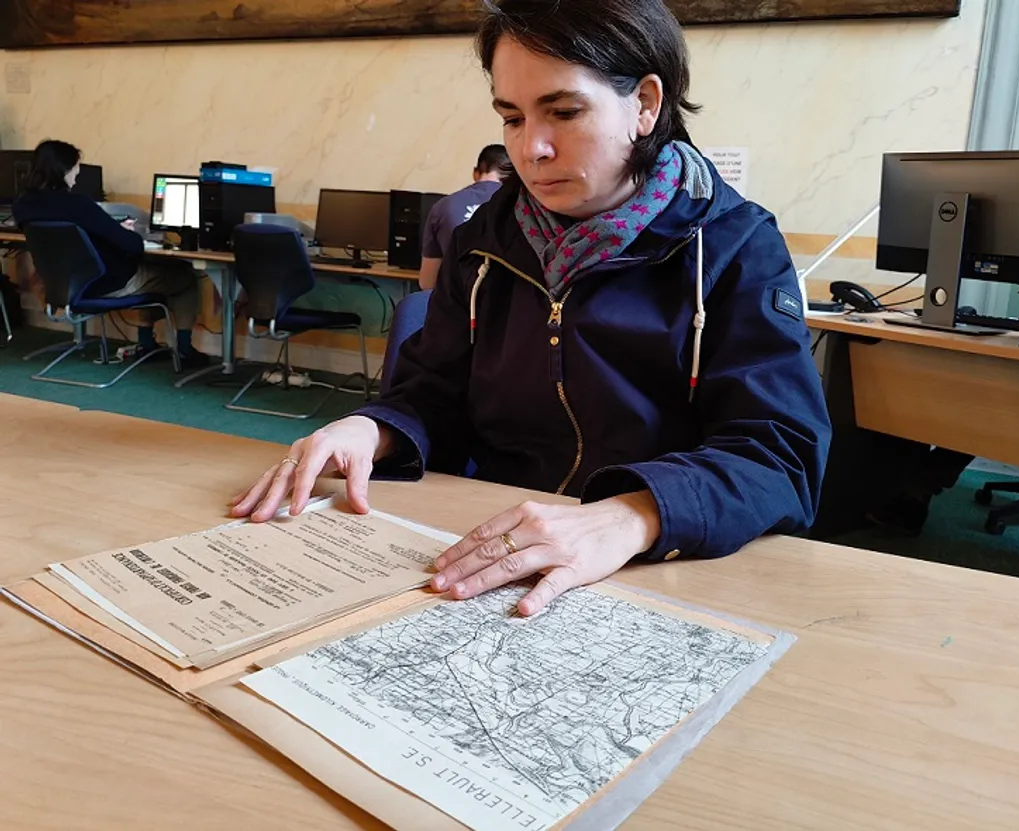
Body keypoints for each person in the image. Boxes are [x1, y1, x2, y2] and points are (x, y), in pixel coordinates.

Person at [232, 0, 832, 616]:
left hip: (660, 565)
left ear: (646, 105)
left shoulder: (734, 245)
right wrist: (375, 428)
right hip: (489, 547)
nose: (532, 149)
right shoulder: (484, 240)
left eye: (564, 111)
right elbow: (433, 395)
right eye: (511, 118)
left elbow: (779, 455)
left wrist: (632, 515)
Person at [13, 139, 209, 368]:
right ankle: (183, 349)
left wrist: (109, 231)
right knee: (183, 276)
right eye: (76, 167)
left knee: (154, 274)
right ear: (64, 169)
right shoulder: (78, 204)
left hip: (60, 286)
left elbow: (69, 238)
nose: (78, 173)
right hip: (105, 285)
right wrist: (123, 232)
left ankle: (148, 344)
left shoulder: (23, 206)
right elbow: (132, 246)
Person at [419, 144, 512, 290]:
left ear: (476, 173)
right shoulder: (520, 207)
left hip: (454, 304)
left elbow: (427, 282)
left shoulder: (442, 206)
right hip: (503, 305)